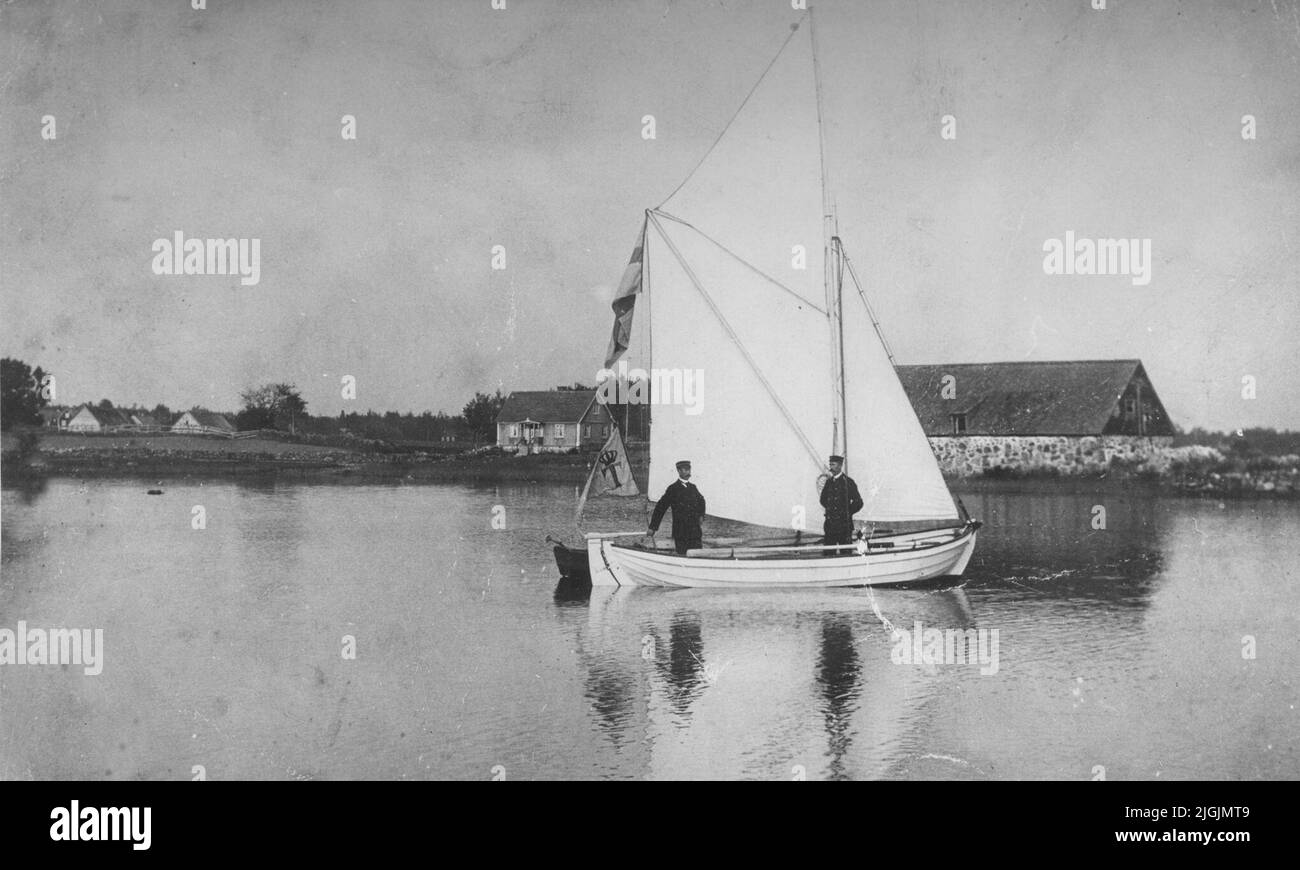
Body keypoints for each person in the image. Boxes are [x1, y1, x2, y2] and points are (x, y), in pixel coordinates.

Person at [648, 460, 706, 555]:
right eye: (685, 470)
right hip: (681, 532)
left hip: (695, 532)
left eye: (689, 469)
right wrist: (653, 527)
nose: (688, 472)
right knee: (682, 556)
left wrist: (701, 516)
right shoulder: (673, 489)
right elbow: (660, 507)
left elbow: (702, 501)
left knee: (697, 556)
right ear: (679, 471)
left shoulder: (693, 488)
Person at [819, 454, 863, 552]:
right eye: (830, 464)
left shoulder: (848, 482)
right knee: (828, 553)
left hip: (844, 526)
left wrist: (847, 512)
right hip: (830, 526)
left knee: (846, 552)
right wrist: (832, 510)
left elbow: (859, 502)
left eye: (833, 465)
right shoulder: (829, 482)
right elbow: (822, 500)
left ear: (840, 466)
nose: (831, 467)